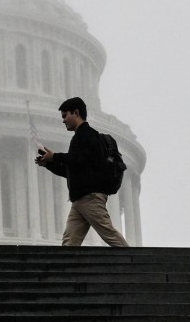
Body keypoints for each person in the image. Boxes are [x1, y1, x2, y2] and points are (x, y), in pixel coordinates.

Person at [35, 97, 129, 247]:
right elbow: (73, 170)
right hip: (80, 200)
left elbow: (78, 160)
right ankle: (65, 270)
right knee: (69, 242)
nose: (63, 120)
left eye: (65, 115)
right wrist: (49, 164)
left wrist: (55, 157)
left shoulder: (86, 135)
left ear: (76, 112)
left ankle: (134, 264)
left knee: (109, 234)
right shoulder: (81, 136)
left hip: (90, 198)